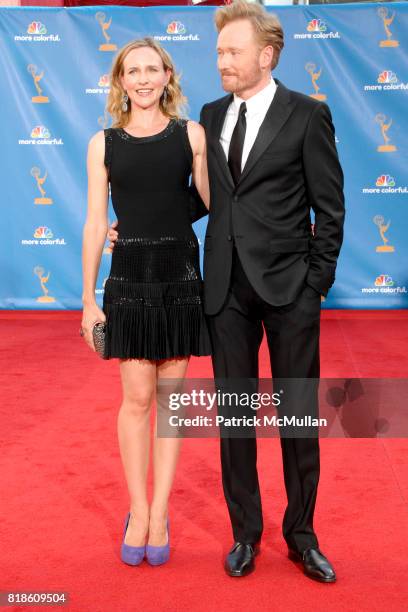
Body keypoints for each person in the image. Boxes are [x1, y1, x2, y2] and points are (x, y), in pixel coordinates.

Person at [109, 0, 345, 582]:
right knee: (236, 423)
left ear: (266, 55)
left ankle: (302, 535)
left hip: (291, 290)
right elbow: (205, 198)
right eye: (218, 52)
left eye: (232, 51)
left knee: (296, 418)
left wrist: (314, 284)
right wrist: (140, 221)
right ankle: (246, 535)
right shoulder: (210, 117)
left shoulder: (307, 114)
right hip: (224, 293)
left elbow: (331, 209)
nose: (221, 61)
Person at [81, 37, 211, 567]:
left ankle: (161, 511)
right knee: (136, 398)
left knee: (169, 401)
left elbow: (210, 199)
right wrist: (87, 299)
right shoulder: (103, 143)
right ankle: (137, 509)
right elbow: (94, 220)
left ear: (167, 75)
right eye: (131, 70)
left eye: (151, 69)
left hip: (180, 277)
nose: (142, 78)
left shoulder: (192, 135)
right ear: (120, 80)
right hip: (128, 280)